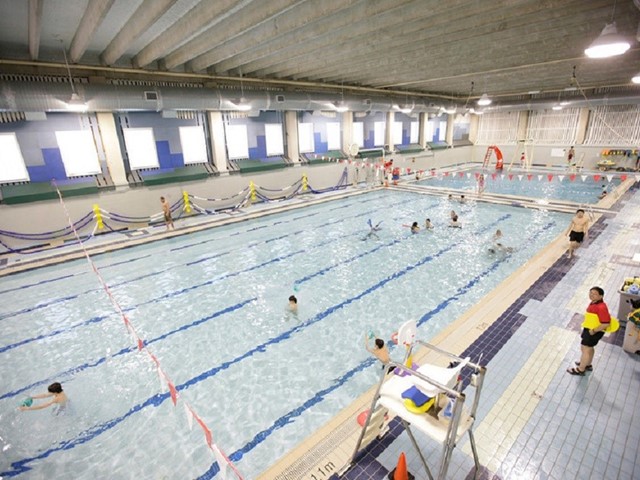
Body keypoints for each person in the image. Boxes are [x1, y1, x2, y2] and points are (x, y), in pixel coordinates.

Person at [567, 287, 610, 376]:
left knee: (585, 349)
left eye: (594, 294)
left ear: (601, 296)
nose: (591, 295)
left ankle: (580, 369)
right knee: (589, 348)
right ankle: (587, 364)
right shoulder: (594, 302)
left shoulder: (601, 307)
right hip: (590, 328)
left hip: (594, 330)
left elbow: (606, 323)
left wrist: (593, 331)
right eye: (590, 293)